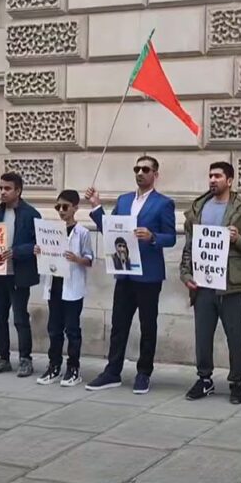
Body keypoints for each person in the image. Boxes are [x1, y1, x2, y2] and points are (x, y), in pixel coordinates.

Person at [85, 156, 177, 394]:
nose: (140, 172)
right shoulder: (124, 200)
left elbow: (171, 237)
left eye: (145, 169)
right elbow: (110, 226)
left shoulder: (163, 203)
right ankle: (112, 371)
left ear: (155, 174)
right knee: (119, 324)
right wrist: (96, 206)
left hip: (148, 275)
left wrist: (153, 236)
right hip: (124, 272)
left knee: (148, 325)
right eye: (136, 168)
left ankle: (144, 372)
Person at [179, 162, 241, 405]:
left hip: (231, 285)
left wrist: (239, 239)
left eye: (217, 176)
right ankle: (204, 379)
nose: (212, 180)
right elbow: (189, 245)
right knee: (202, 336)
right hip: (203, 284)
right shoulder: (198, 208)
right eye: (210, 176)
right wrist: (186, 275)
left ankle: (236, 382)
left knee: (235, 337)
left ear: (229, 180)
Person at [0, 172, 41, 377]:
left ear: (18, 191)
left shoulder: (31, 214)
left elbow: (39, 244)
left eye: (7, 188)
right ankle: (3, 357)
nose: (2, 192)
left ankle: (25, 359)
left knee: (19, 318)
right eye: (0, 188)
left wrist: (17, 251)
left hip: (19, 274)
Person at [35, 190, 94, 387]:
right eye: (58, 207)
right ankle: (54, 365)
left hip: (73, 287)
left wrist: (77, 259)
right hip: (54, 285)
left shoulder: (82, 233)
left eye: (65, 207)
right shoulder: (51, 230)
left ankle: (73, 367)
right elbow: (46, 256)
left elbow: (89, 259)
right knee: (54, 329)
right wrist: (39, 252)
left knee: (72, 329)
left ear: (75, 208)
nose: (61, 211)